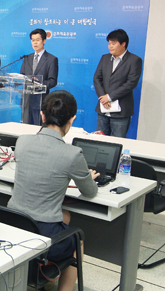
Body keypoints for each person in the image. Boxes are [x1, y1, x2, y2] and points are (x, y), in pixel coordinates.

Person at [7, 90, 99, 291]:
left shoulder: (22, 141)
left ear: (42, 116)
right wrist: (88, 177)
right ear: (72, 119)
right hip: (41, 231)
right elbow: (90, 192)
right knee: (78, 240)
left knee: (64, 216)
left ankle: (42, 266)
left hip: (12, 223)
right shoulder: (73, 154)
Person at [93, 29, 142, 138]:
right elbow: (97, 78)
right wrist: (103, 98)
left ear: (123, 44)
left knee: (118, 143)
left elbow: (131, 83)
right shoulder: (105, 58)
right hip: (103, 110)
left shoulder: (134, 60)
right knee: (98, 141)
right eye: (109, 43)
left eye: (113, 43)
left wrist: (109, 97)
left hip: (121, 112)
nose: (110, 46)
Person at [20, 28, 58, 125]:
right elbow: (22, 76)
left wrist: (39, 82)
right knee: (26, 128)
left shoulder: (51, 59)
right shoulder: (27, 58)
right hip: (27, 100)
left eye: (38, 40)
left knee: (39, 128)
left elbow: (52, 81)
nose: (35, 43)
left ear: (44, 41)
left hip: (41, 101)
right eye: (33, 40)